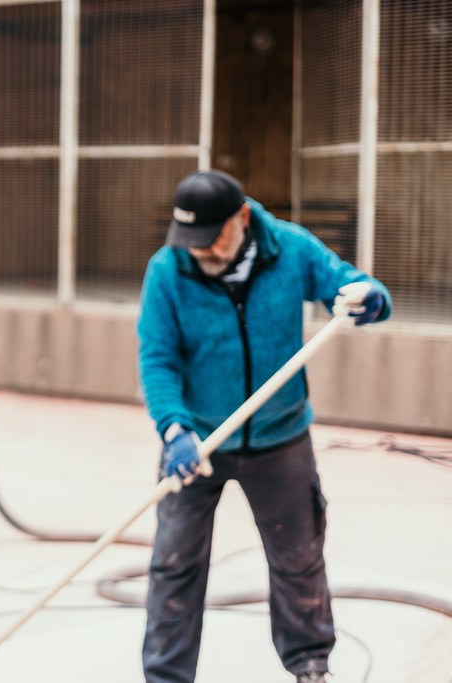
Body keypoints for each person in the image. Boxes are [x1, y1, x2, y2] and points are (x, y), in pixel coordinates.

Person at [136, 170, 391, 683]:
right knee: (174, 566)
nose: (201, 253)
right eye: (192, 243)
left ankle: (310, 664)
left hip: (280, 439)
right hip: (197, 441)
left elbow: (348, 285)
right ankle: (166, 677)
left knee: (299, 557)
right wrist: (173, 430)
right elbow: (157, 358)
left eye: (211, 240)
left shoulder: (290, 249)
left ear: (242, 218)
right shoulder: (168, 270)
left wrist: (369, 296)